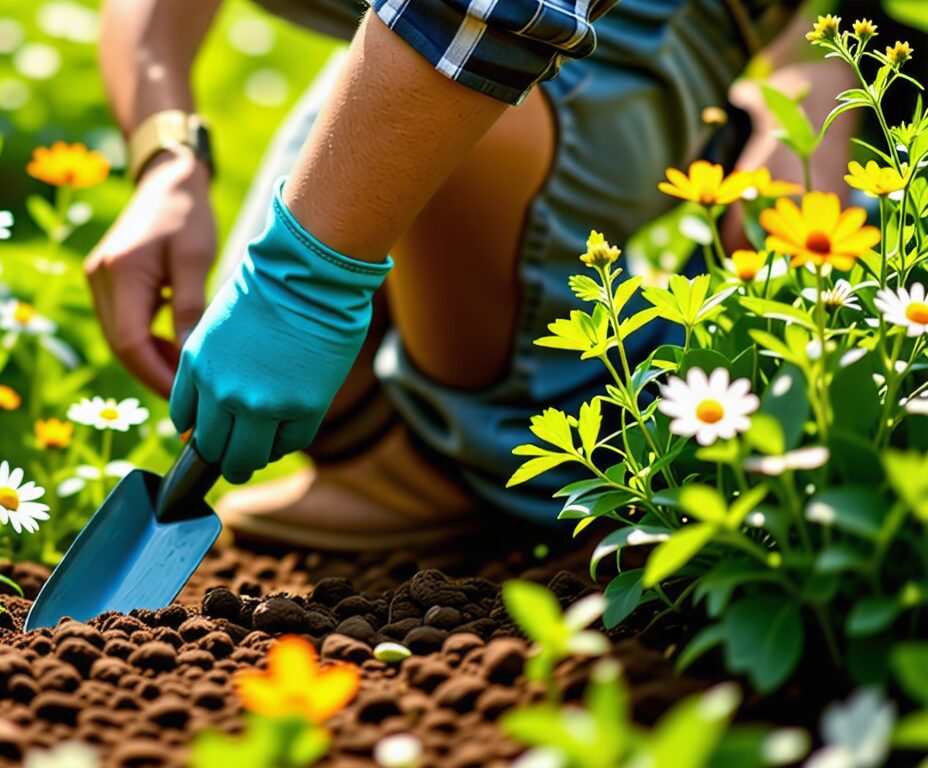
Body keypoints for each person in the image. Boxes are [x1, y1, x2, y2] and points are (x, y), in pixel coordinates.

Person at [87, 0, 904, 551]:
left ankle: (481, 450)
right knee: (310, 383)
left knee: (443, 180)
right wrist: (167, 157)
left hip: (636, 36)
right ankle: (398, 423)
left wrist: (307, 275)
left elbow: (493, 8)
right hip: (406, 33)